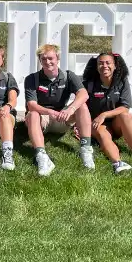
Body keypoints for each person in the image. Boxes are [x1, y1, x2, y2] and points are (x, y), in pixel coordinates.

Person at [23, 44, 95, 176]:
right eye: (43, 59)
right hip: (42, 119)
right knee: (32, 113)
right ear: (40, 61)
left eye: (50, 58)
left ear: (58, 58)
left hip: (62, 117)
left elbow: (84, 94)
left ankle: (85, 149)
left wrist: (70, 109)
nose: (47, 62)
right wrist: (50, 112)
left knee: (82, 106)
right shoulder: (32, 78)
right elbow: (31, 105)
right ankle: (42, 156)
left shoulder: (68, 76)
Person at [82, 52, 132, 174]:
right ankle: (117, 163)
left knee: (125, 115)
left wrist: (104, 114)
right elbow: (81, 107)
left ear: (115, 65)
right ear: (96, 66)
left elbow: (125, 107)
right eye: (100, 63)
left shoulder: (122, 81)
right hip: (97, 124)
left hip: (115, 122)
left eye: (108, 63)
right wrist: (80, 125)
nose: (104, 66)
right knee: (102, 133)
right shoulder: (89, 84)